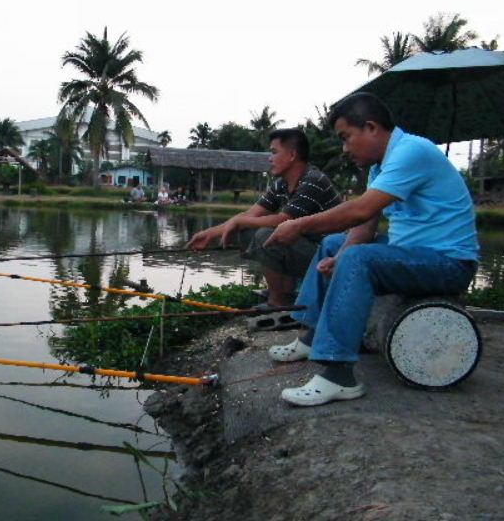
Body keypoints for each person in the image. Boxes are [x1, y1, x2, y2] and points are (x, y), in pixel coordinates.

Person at [266, 92, 479, 407]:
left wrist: (298, 225)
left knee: (358, 257)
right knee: (334, 244)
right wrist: (338, 259)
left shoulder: (412, 152)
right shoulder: (382, 167)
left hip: (448, 263)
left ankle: (339, 375)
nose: (345, 148)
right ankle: (312, 336)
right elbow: (365, 226)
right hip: (413, 254)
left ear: (371, 127)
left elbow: (359, 211)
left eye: (346, 137)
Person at [186, 129, 342, 326]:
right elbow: (250, 215)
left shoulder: (313, 180)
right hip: (311, 251)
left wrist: (239, 221)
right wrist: (210, 234)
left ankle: (278, 301)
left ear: (292, 155)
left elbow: (282, 221)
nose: (270, 158)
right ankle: (286, 293)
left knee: (264, 235)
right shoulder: (282, 185)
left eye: (274, 152)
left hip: (331, 259)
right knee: (249, 231)